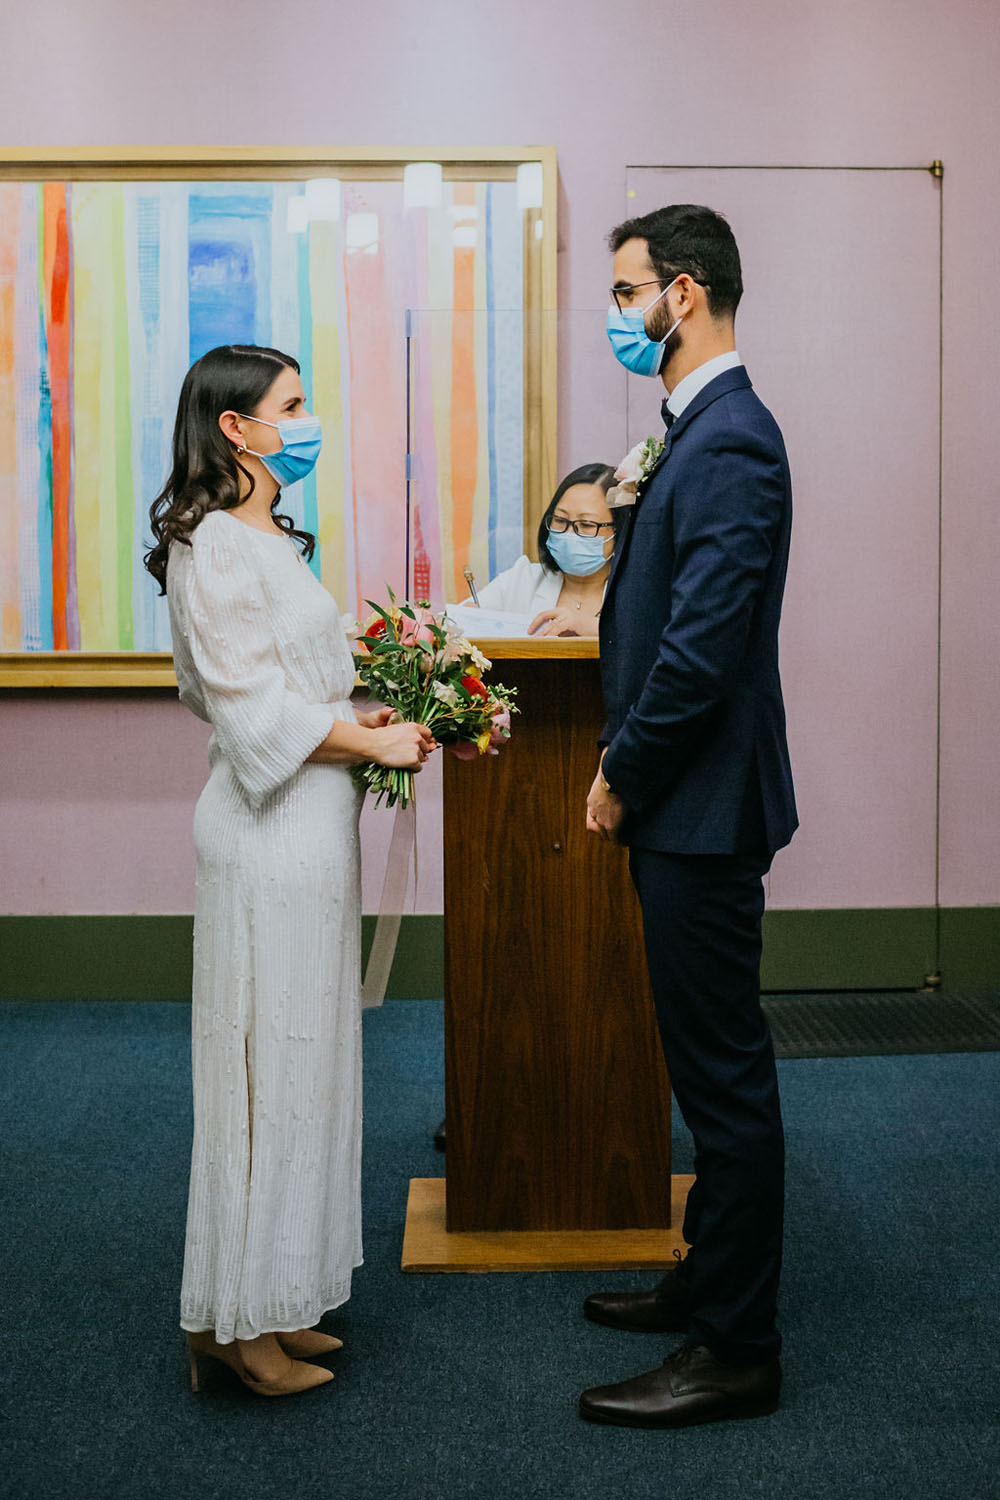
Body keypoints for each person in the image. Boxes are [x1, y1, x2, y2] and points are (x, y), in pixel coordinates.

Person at [144, 345, 434, 1399]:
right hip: (265, 838)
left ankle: (270, 1302)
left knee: (303, 1072)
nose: (306, 422)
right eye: (292, 407)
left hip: (310, 830)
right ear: (237, 427)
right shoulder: (212, 541)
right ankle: (231, 1326)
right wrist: (368, 744)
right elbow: (241, 710)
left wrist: (357, 720)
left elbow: (276, 686)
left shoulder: (261, 535)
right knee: (263, 1076)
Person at [579, 205, 797, 1429]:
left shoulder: (730, 441)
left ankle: (737, 1347)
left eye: (625, 294)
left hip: (698, 805)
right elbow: (665, 602)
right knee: (700, 1058)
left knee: (722, 1079)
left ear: (684, 290)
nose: (617, 316)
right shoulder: (692, 430)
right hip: (690, 805)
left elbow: (702, 650)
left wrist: (622, 770)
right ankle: (704, 1281)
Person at [470, 462, 620, 636]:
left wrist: (595, 629)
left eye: (586, 524)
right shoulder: (521, 579)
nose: (569, 534)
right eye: (560, 520)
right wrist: (463, 620)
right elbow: (449, 625)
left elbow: (648, 643)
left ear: (619, 531)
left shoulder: (635, 593)